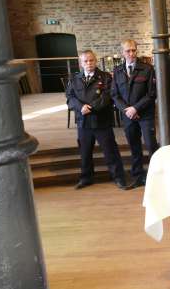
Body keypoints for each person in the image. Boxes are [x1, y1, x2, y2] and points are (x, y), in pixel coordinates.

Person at [66, 50, 127, 190]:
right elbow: (70, 97)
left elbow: (108, 96)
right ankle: (86, 178)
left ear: (95, 60)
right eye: (85, 61)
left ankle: (119, 177)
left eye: (91, 60)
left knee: (110, 151)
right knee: (85, 152)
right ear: (81, 63)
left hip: (101, 121)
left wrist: (91, 108)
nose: (89, 63)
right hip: (83, 122)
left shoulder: (105, 77)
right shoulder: (74, 79)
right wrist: (81, 107)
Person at [111, 39, 159, 188]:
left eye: (133, 50)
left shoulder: (147, 69)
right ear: (122, 53)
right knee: (134, 146)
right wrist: (127, 110)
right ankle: (138, 175)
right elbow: (114, 95)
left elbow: (152, 94)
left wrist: (136, 109)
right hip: (128, 116)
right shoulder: (117, 71)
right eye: (128, 51)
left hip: (145, 114)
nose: (131, 53)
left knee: (151, 145)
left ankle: (157, 175)